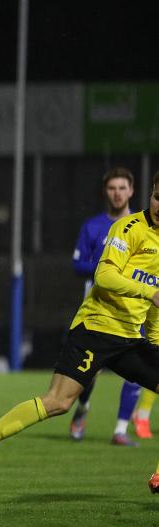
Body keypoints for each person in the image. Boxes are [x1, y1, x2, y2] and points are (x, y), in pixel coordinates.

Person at [0, 171, 159, 497]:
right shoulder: (128, 228)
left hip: (131, 337)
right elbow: (104, 276)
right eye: (157, 196)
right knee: (58, 402)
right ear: (149, 195)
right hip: (95, 328)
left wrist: (155, 342)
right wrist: (147, 293)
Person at [68, 167, 155, 444]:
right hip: (100, 312)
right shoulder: (94, 226)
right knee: (86, 376)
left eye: (122, 188)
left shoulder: (146, 227)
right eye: (111, 188)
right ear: (105, 192)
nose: (117, 194)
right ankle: (82, 407)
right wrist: (108, 266)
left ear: (132, 191)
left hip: (137, 310)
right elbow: (78, 265)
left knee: (138, 371)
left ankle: (120, 429)